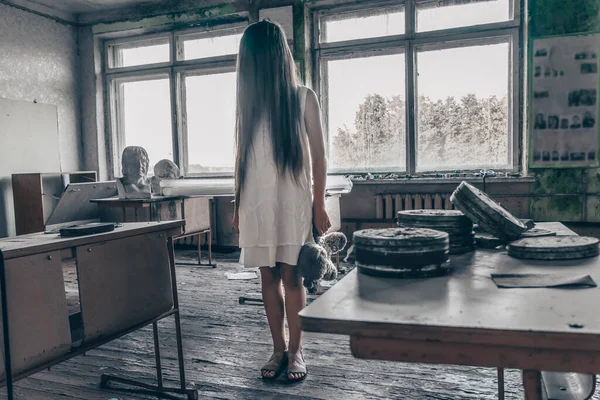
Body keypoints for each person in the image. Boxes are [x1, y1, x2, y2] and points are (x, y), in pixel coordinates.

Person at [232, 20, 331, 382]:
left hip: (291, 205)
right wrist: (237, 202)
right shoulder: (250, 104)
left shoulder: (303, 97)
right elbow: (242, 156)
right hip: (256, 205)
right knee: (267, 279)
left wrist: (319, 204)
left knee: (292, 279)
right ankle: (277, 348)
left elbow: (319, 157)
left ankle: (296, 351)